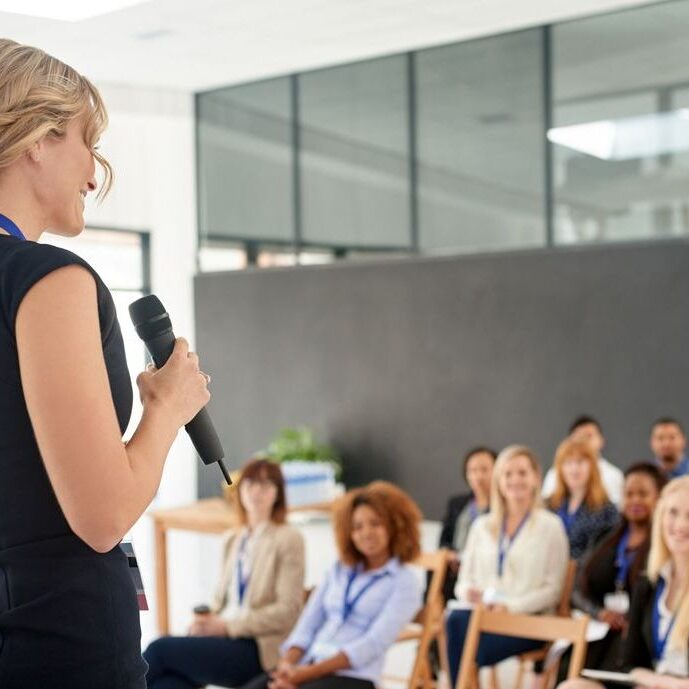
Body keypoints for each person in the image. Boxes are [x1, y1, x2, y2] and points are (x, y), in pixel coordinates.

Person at [0, 40, 211, 689]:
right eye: (88, 142)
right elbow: (101, 514)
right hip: (56, 641)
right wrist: (167, 408)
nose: (95, 172)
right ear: (39, 136)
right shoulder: (48, 279)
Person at [241, 481, 423, 689]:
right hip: (307, 664)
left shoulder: (404, 582)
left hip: (353, 676)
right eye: (357, 527)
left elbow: (372, 644)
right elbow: (308, 623)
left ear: (395, 526)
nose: (366, 533)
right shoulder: (339, 570)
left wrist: (304, 675)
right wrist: (287, 665)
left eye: (375, 524)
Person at [143, 459, 305, 689]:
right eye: (251, 484)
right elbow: (222, 603)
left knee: (158, 650)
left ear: (278, 493)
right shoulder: (234, 538)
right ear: (240, 491)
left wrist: (227, 626)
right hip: (224, 637)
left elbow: (287, 612)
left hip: (257, 648)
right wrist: (205, 624)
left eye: (266, 485)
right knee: (169, 683)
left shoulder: (287, 538)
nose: (258, 491)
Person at [446, 445, 569, 687]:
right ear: (498, 481)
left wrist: (510, 607)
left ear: (535, 478)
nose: (515, 480)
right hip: (482, 616)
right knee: (455, 619)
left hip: (528, 621)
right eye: (507, 474)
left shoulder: (551, 526)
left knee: (460, 631)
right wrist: (470, 594)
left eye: (522, 473)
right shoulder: (481, 526)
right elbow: (463, 582)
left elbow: (553, 590)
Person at [558, 476, 689, 689]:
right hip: (650, 684)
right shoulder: (650, 583)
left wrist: (670, 684)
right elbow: (630, 663)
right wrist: (655, 681)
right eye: (673, 513)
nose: (681, 524)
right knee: (572, 687)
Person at [438, 446, 497, 600]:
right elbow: (444, 540)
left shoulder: (501, 509)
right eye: (472, 470)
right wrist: (449, 554)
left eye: (484, 469)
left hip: (481, 568)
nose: (478, 476)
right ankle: (433, 611)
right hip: (453, 565)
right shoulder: (457, 503)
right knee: (437, 567)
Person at [546, 438, 619, 559]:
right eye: (568, 463)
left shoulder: (606, 509)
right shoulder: (549, 505)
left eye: (580, 462)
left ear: (592, 466)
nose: (574, 469)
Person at [542, 416, 624, 506]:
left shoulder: (614, 475)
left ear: (601, 440)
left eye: (589, 436)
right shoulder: (555, 473)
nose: (584, 441)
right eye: (579, 436)